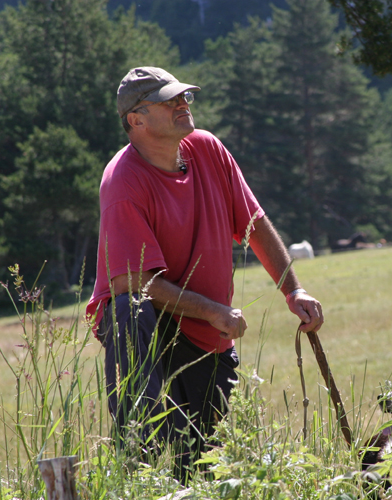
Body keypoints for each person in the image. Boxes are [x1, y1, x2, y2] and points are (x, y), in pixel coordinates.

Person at [85, 67, 324, 480]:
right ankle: (136, 457)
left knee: (200, 465)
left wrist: (294, 291)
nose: (183, 104)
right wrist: (214, 310)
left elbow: (254, 222)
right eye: (169, 100)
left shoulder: (208, 149)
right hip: (156, 329)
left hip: (207, 336)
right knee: (128, 311)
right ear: (136, 120)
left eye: (185, 97)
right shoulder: (122, 181)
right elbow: (129, 282)